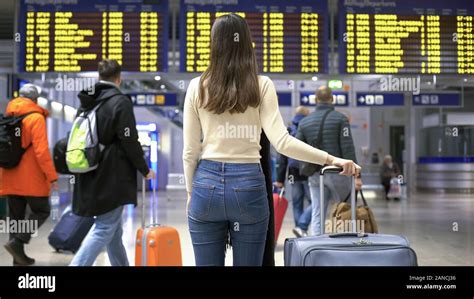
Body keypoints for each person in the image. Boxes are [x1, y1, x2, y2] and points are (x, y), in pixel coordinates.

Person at [183, 14, 361, 266]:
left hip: (205, 186)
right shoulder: (261, 85)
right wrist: (331, 158)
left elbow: (190, 151)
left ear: (214, 44)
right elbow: (283, 142)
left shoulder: (196, 86)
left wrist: (191, 191)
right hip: (249, 186)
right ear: (246, 43)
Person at [69, 60, 155, 266]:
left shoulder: (88, 102)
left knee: (113, 232)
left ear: (100, 77)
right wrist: (144, 169)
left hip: (90, 173)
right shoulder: (119, 102)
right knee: (105, 229)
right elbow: (129, 140)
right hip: (111, 178)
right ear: (119, 78)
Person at [0, 84, 59, 266]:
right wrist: (52, 176)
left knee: (16, 218)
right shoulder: (35, 118)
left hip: (9, 175)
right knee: (42, 211)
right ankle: (18, 243)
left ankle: (17, 260)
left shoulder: (8, 116)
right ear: (35, 100)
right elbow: (41, 152)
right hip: (31, 178)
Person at [296, 86, 362, 236]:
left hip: (314, 174)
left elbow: (298, 148)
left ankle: (317, 245)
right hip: (340, 173)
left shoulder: (304, 122)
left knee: (317, 211)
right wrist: (357, 176)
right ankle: (345, 241)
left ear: (316, 100)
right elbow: (348, 148)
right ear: (332, 99)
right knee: (345, 208)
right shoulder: (340, 119)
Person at [275, 106, 312, 237]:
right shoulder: (309, 127)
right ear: (307, 114)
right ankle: (302, 226)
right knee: (314, 201)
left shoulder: (289, 130)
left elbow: (282, 157)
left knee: (297, 202)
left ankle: (300, 230)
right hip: (307, 169)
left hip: (292, 171)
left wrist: (280, 179)